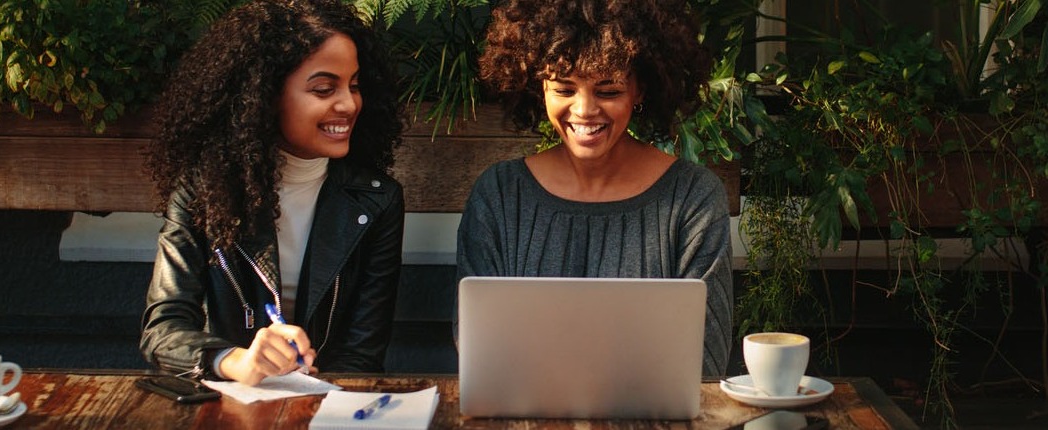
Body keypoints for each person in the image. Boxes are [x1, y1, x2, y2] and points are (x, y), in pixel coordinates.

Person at [140, 0, 405, 386]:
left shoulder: (377, 202)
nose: (348, 103)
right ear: (264, 97)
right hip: (227, 402)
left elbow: (361, 356)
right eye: (324, 88)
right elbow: (163, 328)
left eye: (355, 85)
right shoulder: (203, 192)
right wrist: (234, 361)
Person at [463, 0, 734, 375]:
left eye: (608, 90)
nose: (585, 111)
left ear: (642, 88)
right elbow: (481, 351)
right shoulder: (499, 197)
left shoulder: (692, 199)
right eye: (563, 89)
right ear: (538, 85)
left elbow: (704, 363)